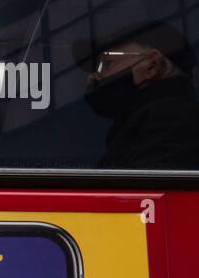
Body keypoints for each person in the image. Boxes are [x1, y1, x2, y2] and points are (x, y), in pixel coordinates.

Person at [73, 22, 199, 170]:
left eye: (106, 64)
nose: (92, 77)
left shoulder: (171, 120)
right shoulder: (146, 123)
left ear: (152, 65)